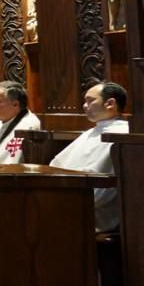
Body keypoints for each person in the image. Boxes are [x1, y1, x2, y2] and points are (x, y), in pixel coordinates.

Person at [50, 81, 131, 233]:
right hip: (70, 201)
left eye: (90, 101)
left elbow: (107, 187)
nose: (85, 106)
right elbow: (56, 164)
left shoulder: (123, 135)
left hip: (95, 214)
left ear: (110, 103)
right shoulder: (90, 132)